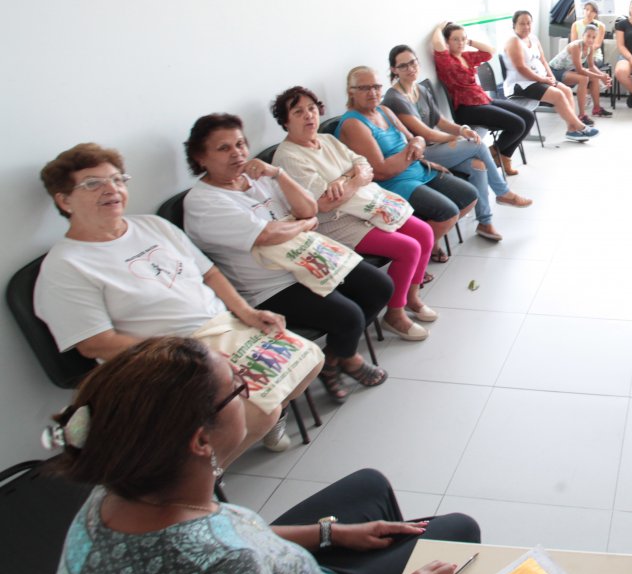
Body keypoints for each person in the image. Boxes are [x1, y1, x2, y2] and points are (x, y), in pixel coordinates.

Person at [46, 337, 480, 574]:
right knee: (458, 530)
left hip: (282, 571)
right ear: (200, 439)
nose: (250, 385)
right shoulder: (225, 564)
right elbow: (227, 550)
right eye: (236, 386)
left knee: (369, 486)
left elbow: (236, 531)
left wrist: (331, 533)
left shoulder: (113, 493)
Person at [33, 143, 318, 457]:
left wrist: (247, 312)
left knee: (309, 358)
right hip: (164, 359)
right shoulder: (66, 265)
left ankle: (260, 417)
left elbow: (209, 273)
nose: (111, 189)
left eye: (117, 180)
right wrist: (186, 353)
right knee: (261, 412)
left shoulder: (153, 226)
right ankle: (202, 478)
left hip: (221, 329)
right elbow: (96, 343)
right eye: (93, 183)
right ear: (64, 200)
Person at [183, 114, 392, 403]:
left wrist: (278, 174)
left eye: (241, 144)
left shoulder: (256, 178)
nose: (238, 153)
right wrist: (303, 224)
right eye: (224, 148)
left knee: (379, 286)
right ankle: (348, 358)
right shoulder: (202, 202)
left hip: (309, 260)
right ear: (200, 157)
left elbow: (308, 209)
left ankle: (333, 357)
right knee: (350, 315)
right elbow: (269, 234)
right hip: (271, 286)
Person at [271, 86, 438, 340]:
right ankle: (395, 314)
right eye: (298, 112)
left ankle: (410, 298)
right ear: (285, 121)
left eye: (312, 109)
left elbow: (364, 165)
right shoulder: (288, 157)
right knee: (408, 248)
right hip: (335, 223)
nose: (309, 116)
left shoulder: (326, 141)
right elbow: (324, 204)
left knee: (424, 233)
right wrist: (356, 179)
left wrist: (347, 178)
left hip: (365, 204)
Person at [384, 45, 532, 230]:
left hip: (435, 149)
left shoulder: (420, 89)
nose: (410, 68)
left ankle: (485, 223)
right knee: (478, 146)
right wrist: (454, 139)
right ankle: (503, 192)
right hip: (418, 156)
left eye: (413, 62)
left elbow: (440, 120)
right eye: (403, 66)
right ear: (394, 70)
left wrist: (462, 130)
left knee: (478, 165)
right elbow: (426, 133)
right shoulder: (394, 99)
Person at [337, 67, 482, 249]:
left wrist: (417, 147)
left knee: (470, 196)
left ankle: (430, 239)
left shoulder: (384, 111)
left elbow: (415, 139)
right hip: (394, 183)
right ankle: (421, 253)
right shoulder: (353, 123)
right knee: (448, 212)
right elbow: (382, 171)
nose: (372, 92)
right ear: (351, 92)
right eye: (365, 88)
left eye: (376, 86)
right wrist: (414, 151)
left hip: (417, 169)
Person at [431, 21, 535, 176]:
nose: (460, 43)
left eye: (463, 39)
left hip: (483, 100)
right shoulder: (446, 60)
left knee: (528, 117)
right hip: (467, 108)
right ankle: (490, 153)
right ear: (447, 42)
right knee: (518, 124)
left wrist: (469, 41)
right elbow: (437, 42)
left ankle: (503, 158)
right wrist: (439, 28)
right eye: (455, 39)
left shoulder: (466, 56)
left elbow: (490, 51)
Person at [502, 10, 599, 142]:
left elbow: (543, 60)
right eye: (522, 24)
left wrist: (551, 77)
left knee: (566, 91)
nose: (526, 27)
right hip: (522, 84)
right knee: (558, 95)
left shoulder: (533, 38)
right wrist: (542, 79)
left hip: (539, 79)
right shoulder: (513, 41)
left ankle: (571, 130)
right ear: (514, 25)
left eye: (528, 23)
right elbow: (521, 68)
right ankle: (580, 126)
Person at [548, 23, 613, 124]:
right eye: (588, 36)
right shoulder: (576, 46)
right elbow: (580, 70)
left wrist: (603, 75)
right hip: (553, 71)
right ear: (583, 35)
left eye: (593, 37)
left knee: (594, 78)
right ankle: (582, 115)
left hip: (568, 71)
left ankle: (597, 109)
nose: (590, 39)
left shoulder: (590, 48)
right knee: (584, 78)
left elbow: (591, 66)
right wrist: (601, 77)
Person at [569, 1, 611, 118]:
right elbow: (573, 43)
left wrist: (586, 51)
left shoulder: (600, 26)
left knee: (589, 67)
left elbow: (596, 44)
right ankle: (596, 107)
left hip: (594, 56)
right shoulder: (576, 25)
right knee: (591, 74)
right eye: (586, 9)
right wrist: (581, 53)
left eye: (591, 10)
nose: (588, 12)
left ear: (595, 13)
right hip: (579, 55)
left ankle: (589, 99)